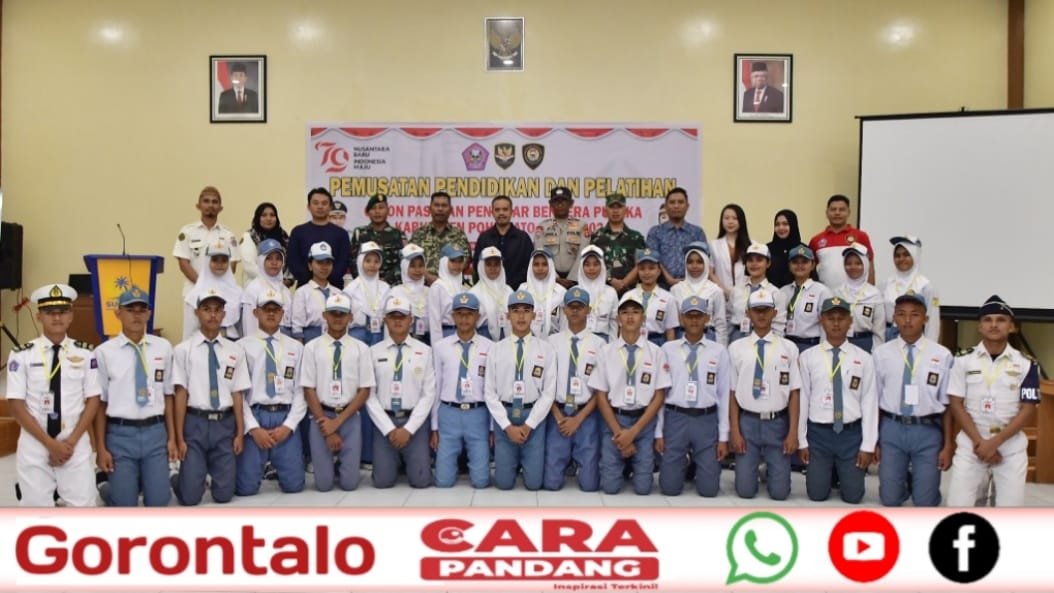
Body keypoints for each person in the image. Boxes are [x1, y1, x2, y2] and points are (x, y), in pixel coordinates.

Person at [6, 284, 100, 507]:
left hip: (73, 440)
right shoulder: (22, 355)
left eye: (62, 312)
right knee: (36, 510)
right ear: (39, 317)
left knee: (84, 508)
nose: (57, 318)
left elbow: (93, 400)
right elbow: (16, 406)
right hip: (36, 441)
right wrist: (50, 444)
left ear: (71, 316)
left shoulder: (86, 353)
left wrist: (71, 442)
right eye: (49, 312)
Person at [946, 295, 1040, 507]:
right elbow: (956, 404)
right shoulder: (963, 360)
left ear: (1011, 326)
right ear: (980, 326)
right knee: (958, 507)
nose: (994, 325)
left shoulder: (1026, 364)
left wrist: (994, 444)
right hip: (972, 443)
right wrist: (981, 444)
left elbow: (1028, 409)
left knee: (1009, 513)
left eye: (1001, 320)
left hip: (1009, 445)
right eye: (988, 320)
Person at [94, 287, 175, 507]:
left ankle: (145, 480)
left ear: (149, 314)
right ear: (118, 313)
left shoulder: (163, 347)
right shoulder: (104, 352)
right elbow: (100, 404)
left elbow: (168, 394)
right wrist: (100, 448)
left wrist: (172, 438)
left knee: (159, 502)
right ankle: (106, 485)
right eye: (130, 310)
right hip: (121, 435)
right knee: (125, 505)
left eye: (142, 310)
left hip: (155, 432)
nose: (136, 315)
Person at [872, 292, 954, 507]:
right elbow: (875, 401)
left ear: (925, 318)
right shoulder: (881, 354)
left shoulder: (942, 355)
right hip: (892, 428)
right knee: (890, 500)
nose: (908, 320)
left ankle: (921, 482)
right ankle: (902, 481)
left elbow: (947, 406)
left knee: (925, 503)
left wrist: (948, 445)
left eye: (915, 315)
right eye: (901, 314)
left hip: (927, 429)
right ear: (894, 318)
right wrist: (875, 440)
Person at [171, 288, 250, 506]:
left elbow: (237, 393)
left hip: (224, 424)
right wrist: (179, 437)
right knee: (189, 498)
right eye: (207, 309)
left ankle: (205, 475)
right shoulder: (183, 350)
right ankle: (180, 479)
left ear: (224, 314)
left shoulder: (235, 350)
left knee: (224, 496)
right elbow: (180, 394)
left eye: (217, 310)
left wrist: (240, 433)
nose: (212, 315)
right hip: (195, 422)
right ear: (197, 313)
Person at [797, 297, 878, 504]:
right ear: (821, 321)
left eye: (841, 318)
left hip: (851, 435)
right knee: (817, 495)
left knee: (854, 497)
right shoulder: (808, 357)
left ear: (850, 321)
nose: (835, 323)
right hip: (819, 434)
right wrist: (802, 440)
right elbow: (803, 400)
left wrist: (867, 445)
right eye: (830, 318)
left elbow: (869, 403)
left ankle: (844, 476)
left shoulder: (864, 358)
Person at [589, 292, 671, 495]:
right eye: (625, 313)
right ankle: (622, 463)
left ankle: (631, 463)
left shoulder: (656, 352)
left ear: (643, 318)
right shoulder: (606, 352)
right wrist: (620, 434)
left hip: (643, 423)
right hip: (614, 421)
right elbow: (600, 396)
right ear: (618, 318)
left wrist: (633, 432)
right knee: (610, 488)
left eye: (635, 312)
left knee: (643, 489)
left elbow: (659, 396)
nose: (630, 317)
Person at [727, 289, 801, 500]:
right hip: (747, 422)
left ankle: (769, 469)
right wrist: (735, 431)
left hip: (777, 423)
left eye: (766, 310)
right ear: (748, 313)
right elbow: (732, 393)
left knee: (780, 494)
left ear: (775, 313)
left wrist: (793, 432)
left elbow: (794, 393)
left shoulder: (788, 348)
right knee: (745, 492)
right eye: (756, 310)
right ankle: (753, 470)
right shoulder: (736, 348)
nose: (761, 315)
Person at [300, 293, 375, 492]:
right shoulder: (311, 348)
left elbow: (365, 390)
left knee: (350, 485)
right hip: (321, 417)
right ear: (324, 315)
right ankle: (328, 465)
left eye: (342, 314)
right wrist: (328, 426)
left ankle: (342, 464)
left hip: (349, 416)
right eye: (333, 313)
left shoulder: (361, 349)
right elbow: (308, 389)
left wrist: (337, 423)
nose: (338, 318)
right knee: (323, 485)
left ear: (351, 317)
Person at [656, 297, 730, 497]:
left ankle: (698, 461)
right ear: (681, 318)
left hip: (706, 419)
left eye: (699, 316)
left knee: (709, 491)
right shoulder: (668, 350)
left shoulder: (719, 351)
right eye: (689, 316)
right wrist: (658, 432)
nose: (694, 321)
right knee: (669, 489)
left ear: (707, 318)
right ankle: (684, 460)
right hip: (676, 418)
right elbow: (660, 394)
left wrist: (723, 437)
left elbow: (724, 395)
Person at [235, 289, 306, 497]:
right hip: (255, 416)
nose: (271, 313)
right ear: (256, 312)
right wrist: (253, 428)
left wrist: (289, 426)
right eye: (266, 309)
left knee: (294, 486)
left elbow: (302, 391)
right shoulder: (241, 347)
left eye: (276, 309)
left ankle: (277, 463)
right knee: (245, 489)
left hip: (285, 416)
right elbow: (238, 394)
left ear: (283, 313)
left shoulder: (296, 347)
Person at [485, 291, 557, 490]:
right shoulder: (496, 350)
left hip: (533, 416)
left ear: (534, 315)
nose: (521, 316)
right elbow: (489, 393)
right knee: (503, 484)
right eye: (516, 311)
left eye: (526, 311)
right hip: (505, 416)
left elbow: (548, 393)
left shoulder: (546, 350)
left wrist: (529, 425)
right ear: (508, 315)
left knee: (534, 484)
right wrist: (507, 426)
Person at [364, 296, 435, 489]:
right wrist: (389, 429)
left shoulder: (425, 351)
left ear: (411, 319)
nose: (397, 321)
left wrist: (408, 429)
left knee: (421, 482)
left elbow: (428, 395)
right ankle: (393, 460)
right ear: (385, 320)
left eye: (402, 316)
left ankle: (409, 460)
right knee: (382, 482)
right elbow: (369, 396)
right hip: (385, 422)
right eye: (392, 316)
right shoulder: (373, 352)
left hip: (414, 422)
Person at [430, 293, 495, 489]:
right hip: (449, 413)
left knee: (481, 481)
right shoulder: (441, 347)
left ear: (477, 316)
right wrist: (434, 426)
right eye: (459, 314)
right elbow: (436, 386)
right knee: (443, 482)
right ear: (453, 316)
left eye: (469, 314)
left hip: (478, 414)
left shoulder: (490, 347)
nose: (464, 319)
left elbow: (492, 390)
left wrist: (492, 427)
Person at [544, 289, 605, 492]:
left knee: (589, 485)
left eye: (580, 307)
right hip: (558, 414)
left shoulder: (600, 344)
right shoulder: (551, 342)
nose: (575, 311)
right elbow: (545, 385)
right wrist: (558, 416)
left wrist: (578, 419)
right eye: (571, 307)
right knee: (551, 484)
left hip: (586, 415)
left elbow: (600, 390)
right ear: (564, 310)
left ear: (589, 309)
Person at [173, 186, 240, 337]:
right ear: (198, 205)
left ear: (220, 207)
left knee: (221, 337)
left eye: (215, 202)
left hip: (221, 296)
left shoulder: (228, 235)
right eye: (206, 201)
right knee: (191, 338)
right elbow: (183, 263)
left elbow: (232, 265)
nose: (211, 205)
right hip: (193, 293)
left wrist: (213, 287)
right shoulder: (187, 232)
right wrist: (203, 284)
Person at [580, 192, 645, 295]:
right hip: (603, 291)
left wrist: (624, 283)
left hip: (631, 292)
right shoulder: (596, 237)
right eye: (611, 207)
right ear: (605, 210)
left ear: (626, 210)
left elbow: (641, 264)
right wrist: (610, 279)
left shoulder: (636, 237)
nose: (615, 211)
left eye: (619, 207)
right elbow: (591, 263)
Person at [287, 187, 352, 289]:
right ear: (308, 206)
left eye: (324, 203)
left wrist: (325, 282)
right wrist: (313, 282)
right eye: (316, 203)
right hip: (305, 288)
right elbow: (293, 262)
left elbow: (343, 263)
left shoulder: (341, 234)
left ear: (330, 207)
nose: (320, 206)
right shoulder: (298, 232)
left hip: (334, 289)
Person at [880, 236, 941, 343]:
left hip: (915, 338)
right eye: (897, 256)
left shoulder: (926, 286)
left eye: (906, 255)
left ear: (915, 255)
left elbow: (932, 323)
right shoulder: (885, 284)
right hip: (888, 338)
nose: (901, 259)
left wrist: (929, 348)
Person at [807, 194, 874, 288]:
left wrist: (870, 290)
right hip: (826, 293)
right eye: (833, 209)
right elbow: (809, 268)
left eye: (842, 210)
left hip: (855, 294)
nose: (837, 213)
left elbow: (870, 264)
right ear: (827, 213)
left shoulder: (861, 236)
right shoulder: (816, 240)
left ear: (848, 212)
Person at [646, 187, 708, 288]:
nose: (676, 206)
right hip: (662, 288)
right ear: (666, 206)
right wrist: (669, 279)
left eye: (680, 202)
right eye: (672, 202)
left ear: (687, 206)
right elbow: (652, 259)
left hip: (692, 287)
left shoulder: (697, 232)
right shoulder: (655, 232)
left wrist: (687, 281)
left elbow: (704, 260)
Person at [183, 239, 242, 340]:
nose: (219, 264)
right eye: (215, 260)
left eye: (224, 260)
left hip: (232, 342)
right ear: (207, 261)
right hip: (203, 343)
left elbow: (241, 328)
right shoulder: (195, 294)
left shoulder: (238, 292)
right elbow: (189, 332)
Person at [727, 243, 788, 342]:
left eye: (759, 260)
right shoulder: (737, 290)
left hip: (763, 339)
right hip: (737, 337)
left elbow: (778, 326)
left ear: (768, 263)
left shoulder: (775, 293)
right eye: (750, 260)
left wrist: (775, 346)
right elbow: (728, 318)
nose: (754, 264)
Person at [672, 242, 728, 345]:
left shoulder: (716, 290)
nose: (694, 266)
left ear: (706, 263)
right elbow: (672, 324)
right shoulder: (676, 289)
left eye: (699, 262)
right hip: (682, 338)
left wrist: (722, 349)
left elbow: (721, 325)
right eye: (690, 262)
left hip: (708, 339)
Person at [779, 244, 832, 353]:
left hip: (811, 346)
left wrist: (823, 351)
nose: (799, 265)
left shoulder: (822, 291)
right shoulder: (783, 291)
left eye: (804, 262)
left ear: (812, 265)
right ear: (789, 266)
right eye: (795, 262)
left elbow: (826, 326)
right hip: (786, 346)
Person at [533, 186, 589, 288]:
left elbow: (583, 254)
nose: (560, 204)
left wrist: (572, 278)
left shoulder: (582, 226)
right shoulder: (543, 227)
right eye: (556, 201)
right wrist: (555, 278)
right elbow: (540, 254)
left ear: (571, 203)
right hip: (550, 280)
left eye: (564, 201)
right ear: (550, 204)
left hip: (577, 280)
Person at [473, 195, 533, 289]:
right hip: (489, 291)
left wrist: (510, 288)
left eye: (505, 209)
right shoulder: (484, 238)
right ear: (492, 212)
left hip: (517, 292)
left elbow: (529, 267)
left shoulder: (523, 238)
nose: (501, 213)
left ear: (512, 212)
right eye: (497, 210)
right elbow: (477, 266)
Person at [409, 191, 470, 284]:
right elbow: (410, 259)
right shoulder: (419, 234)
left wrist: (445, 280)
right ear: (430, 208)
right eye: (436, 205)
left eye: (444, 205)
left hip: (451, 285)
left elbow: (466, 260)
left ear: (450, 209)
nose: (440, 209)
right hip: (423, 285)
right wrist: (428, 277)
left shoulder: (459, 235)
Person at [624, 249, 677, 347]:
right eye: (642, 269)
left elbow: (670, 330)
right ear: (637, 271)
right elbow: (621, 327)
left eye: (651, 268)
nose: (647, 272)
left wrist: (670, 350)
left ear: (659, 271)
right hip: (632, 342)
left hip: (657, 342)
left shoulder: (668, 298)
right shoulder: (628, 296)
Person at [350, 193, 406, 286]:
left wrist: (385, 281)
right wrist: (366, 281)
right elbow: (353, 261)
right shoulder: (360, 233)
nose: (377, 211)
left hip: (391, 286)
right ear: (368, 212)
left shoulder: (397, 234)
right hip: (365, 285)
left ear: (388, 210)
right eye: (373, 208)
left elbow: (402, 262)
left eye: (381, 208)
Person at [837, 244, 885, 353]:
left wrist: (876, 354)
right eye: (848, 263)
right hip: (842, 343)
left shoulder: (874, 294)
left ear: (866, 264)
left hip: (865, 344)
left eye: (858, 263)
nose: (853, 267)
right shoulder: (837, 292)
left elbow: (879, 331)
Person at [241, 239, 294, 338]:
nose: (274, 263)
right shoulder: (253, 289)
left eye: (278, 258)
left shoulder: (285, 290)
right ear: (261, 261)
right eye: (269, 258)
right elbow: (249, 327)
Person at [344, 241, 391, 346]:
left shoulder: (385, 288)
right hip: (357, 335)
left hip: (380, 334)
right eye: (368, 261)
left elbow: (388, 317)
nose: (372, 265)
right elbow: (345, 320)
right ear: (360, 261)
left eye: (376, 261)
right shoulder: (351, 289)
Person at [291, 241, 337, 343]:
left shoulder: (338, 293)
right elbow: (297, 327)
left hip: (334, 340)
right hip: (310, 341)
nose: (324, 267)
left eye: (328, 263)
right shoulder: (302, 293)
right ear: (310, 266)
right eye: (319, 262)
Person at [571, 245, 619, 342]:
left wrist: (612, 346)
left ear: (602, 266)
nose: (591, 268)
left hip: (603, 341)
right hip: (579, 340)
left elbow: (614, 323)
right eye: (587, 264)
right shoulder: (573, 292)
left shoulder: (611, 292)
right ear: (581, 267)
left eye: (596, 264)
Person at [388, 244, 430, 344]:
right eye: (412, 266)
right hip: (403, 338)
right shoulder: (396, 292)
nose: (417, 270)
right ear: (404, 266)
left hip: (428, 338)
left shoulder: (429, 291)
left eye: (421, 265)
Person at [239, 202, 290, 284]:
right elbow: (249, 266)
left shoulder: (283, 237)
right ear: (258, 218)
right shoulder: (249, 236)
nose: (268, 218)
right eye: (264, 215)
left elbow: (289, 261)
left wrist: (288, 280)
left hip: (281, 285)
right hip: (256, 285)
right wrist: (273, 280)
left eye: (272, 215)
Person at [519, 248, 566, 337]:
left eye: (544, 264)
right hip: (528, 340)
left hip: (555, 340)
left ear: (550, 266)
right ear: (531, 266)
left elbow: (564, 324)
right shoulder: (523, 290)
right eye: (536, 264)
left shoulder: (561, 292)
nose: (540, 268)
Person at [470, 246, 513, 341]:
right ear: (481, 266)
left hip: (508, 337)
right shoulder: (474, 293)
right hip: (483, 337)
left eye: (496, 264)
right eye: (488, 264)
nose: (493, 268)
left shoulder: (508, 290)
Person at [428, 245, 469, 340]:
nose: (457, 265)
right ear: (444, 262)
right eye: (453, 261)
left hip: (464, 334)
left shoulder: (463, 288)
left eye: (460, 261)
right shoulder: (437, 287)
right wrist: (437, 345)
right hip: (445, 333)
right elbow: (434, 321)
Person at [710, 204, 750, 298]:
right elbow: (710, 273)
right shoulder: (713, 245)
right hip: (721, 295)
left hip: (745, 295)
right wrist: (725, 291)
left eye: (734, 218)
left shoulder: (751, 245)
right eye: (726, 218)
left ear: (741, 220)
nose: (730, 222)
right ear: (722, 221)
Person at [766, 209, 803, 288]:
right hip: (771, 293)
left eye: (785, 224)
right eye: (777, 224)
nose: (781, 228)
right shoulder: (767, 250)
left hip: (798, 293)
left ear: (793, 225)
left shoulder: (803, 250)